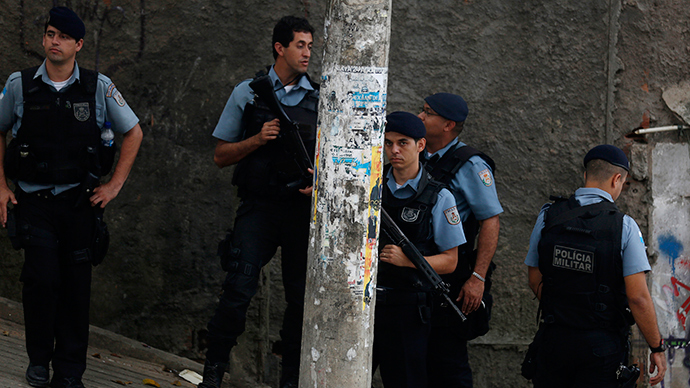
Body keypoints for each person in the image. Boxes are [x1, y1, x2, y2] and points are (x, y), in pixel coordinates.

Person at [0, 7, 143, 388]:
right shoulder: (20, 85)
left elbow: (133, 132)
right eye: (49, 34)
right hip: (35, 203)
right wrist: (1, 186)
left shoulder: (98, 87)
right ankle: (37, 360)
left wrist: (113, 186)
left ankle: (69, 372)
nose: (54, 42)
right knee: (42, 282)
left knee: (76, 290)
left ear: (78, 44)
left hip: (80, 205)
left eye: (63, 36)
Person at [199, 16, 317, 388]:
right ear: (279, 48)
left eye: (311, 46)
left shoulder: (322, 97)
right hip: (259, 208)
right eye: (300, 45)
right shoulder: (248, 92)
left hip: (302, 212)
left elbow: (338, 163)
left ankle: (290, 380)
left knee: (299, 301)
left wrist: (320, 186)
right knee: (237, 289)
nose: (307, 53)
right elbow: (221, 155)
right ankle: (214, 371)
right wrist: (257, 140)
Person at [524, 145, 667, 387]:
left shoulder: (549, 215)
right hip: (600, 348)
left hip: (554, 340)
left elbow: (534, 276)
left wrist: (565, 309)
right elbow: (638, 298)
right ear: (617, 179)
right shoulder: (624, 226)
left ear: (585, 175)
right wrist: (657, 346)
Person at [373, 111, 466, 388]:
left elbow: (451, 262)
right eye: (388, 143)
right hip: (367, 304)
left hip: (408, 308)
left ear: (421, 146)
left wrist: (409, 261)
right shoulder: (370, 185)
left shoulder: (439, 196)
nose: (395, 150)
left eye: (403, 143)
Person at [418, 93, 503, 387]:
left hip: (451, 273)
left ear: (448, 125)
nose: (420, 116)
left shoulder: (470, 165)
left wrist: (477, 277)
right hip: (413, 269)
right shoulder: (413, 153)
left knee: (447, 361)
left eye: (427, 112)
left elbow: (490, 220)